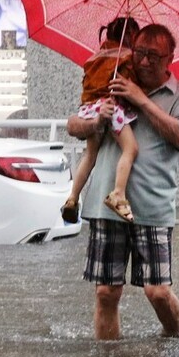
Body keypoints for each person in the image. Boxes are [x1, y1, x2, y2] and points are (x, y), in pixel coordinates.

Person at [66, 24, 179, 339]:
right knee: (106, 292)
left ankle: (173, 342)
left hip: (153, 206)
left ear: (170, 58)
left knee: (157, 292)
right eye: (140, 53)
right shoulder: (113, 82)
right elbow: (73, 124)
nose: (144, 61)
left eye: (154, 56)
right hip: (106, 206)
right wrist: (98, 119)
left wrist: (141, 100)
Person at [61, 16, 142, 224]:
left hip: (90, 108)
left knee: (90, 155)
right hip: (111, 106)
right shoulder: (126, 57)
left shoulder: (94, 58)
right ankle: (118, 193)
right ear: (131, 35)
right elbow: (129, 86)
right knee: (130, 148)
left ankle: (72, 198)